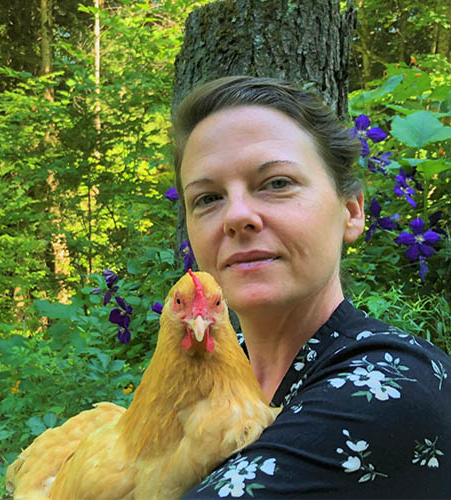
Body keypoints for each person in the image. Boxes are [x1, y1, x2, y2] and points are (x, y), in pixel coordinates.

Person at [174, 76, 451, 498]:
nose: (236, 216)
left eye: (277, 183)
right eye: (208, 198)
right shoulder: (212, 374)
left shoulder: (389, 387)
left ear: (352, 210)